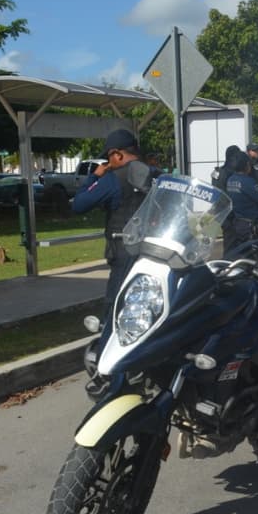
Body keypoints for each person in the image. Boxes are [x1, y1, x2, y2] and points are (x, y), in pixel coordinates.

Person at [72, 129, 159, 359]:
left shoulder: (113, 178)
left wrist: (94, 177)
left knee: (116, 310)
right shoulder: (158, 175)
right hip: (157, 255)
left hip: (125, 255)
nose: (108, 163)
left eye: (108, 158)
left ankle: (108, 366)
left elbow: (79, 204)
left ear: (117, 155)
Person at [225, 153, 258, 253]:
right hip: (253, 226)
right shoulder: (248, 181)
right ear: (246, 165)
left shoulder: (231, 179)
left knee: (244, 252)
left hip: (239, 223)